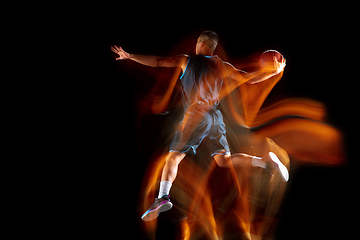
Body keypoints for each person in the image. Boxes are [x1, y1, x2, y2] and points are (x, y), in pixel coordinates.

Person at [111, 31, 288, 221]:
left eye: (196, 42)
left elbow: (157, 61)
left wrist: (130, 56)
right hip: (215, 118)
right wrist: (272, 72)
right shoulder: (223, 66)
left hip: (196, 116)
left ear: (201, 42)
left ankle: (162, 197)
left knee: (173, 158)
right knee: (224, 160)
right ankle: (264, 161)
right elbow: (250, 78)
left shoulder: (186, 60)